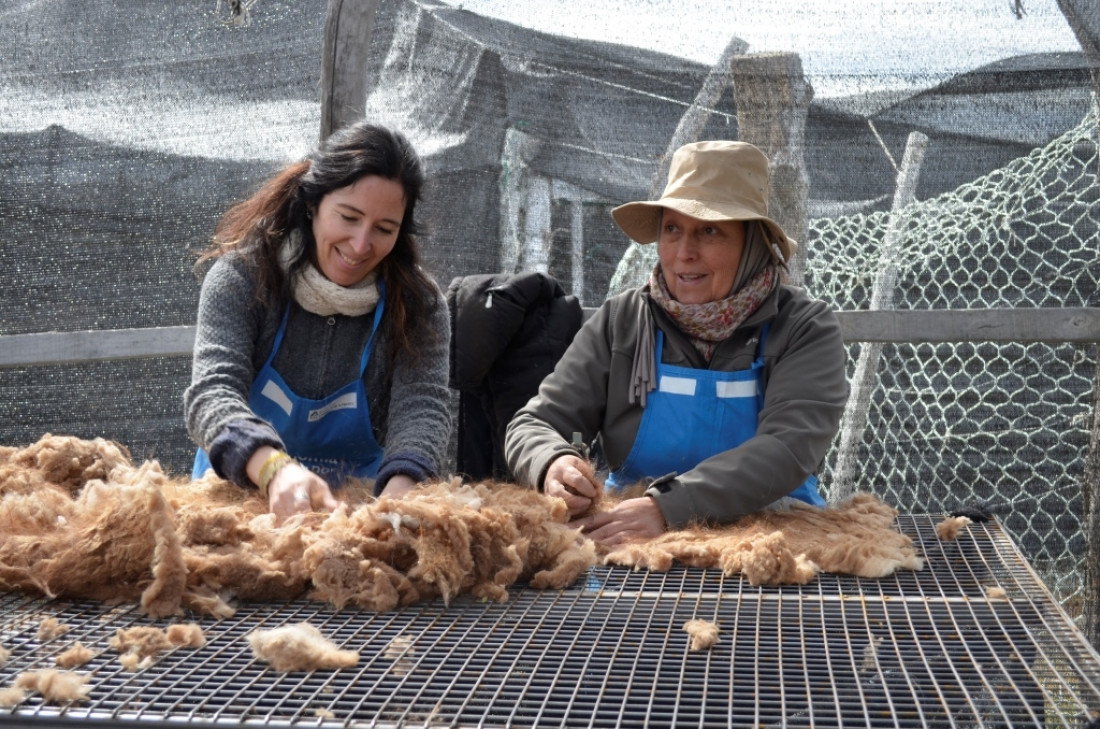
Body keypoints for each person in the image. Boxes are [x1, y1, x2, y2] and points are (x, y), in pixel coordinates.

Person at [504, 140, 848, 547]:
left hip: (778, 538)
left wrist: (668, 508)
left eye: (709, 231)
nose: (684, 253)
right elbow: (534, 424)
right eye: (672, 229)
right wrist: (551, 462)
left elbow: (787, 448)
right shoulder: (623, 321)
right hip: (630, 538)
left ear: (752, 243)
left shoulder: (803, 327)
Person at [185, 121, 451, 521]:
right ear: (314, 204)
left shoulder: (419, 305)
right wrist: (275, 470)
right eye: (348, 217)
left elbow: (423, 410)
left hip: (360, 509)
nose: (361, 246)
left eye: (384, 229)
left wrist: (397, 503)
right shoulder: (243, 277)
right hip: (237, 507)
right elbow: (212, 391)